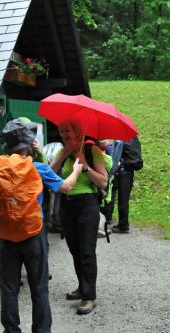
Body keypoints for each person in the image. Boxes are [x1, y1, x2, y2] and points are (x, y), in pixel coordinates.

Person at [0, 120, 82, 333]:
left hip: (6, 237)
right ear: (28, 144)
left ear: (7, 144)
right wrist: (77, 168)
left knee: (9, 290)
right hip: (33, 236)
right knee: (39, 288)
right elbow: (66, 187)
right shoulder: (37, 168)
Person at [49, 119, 108, 315]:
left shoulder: (92, 151)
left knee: (87, 251)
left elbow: (103, 181)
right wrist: (64, 154)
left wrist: (85, 166)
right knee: (74, 249)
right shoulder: (62, 151)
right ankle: (82, 287)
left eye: (67, 131)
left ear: (79, 132)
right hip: (66, 204)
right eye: (61, 131)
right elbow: (47, 173)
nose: (63, 134)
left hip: (87, 204)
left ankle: (89, 296)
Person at [108, 136, 143, 234]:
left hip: (124, 170)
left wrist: (121, 162)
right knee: (123, 198)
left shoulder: (125, 139)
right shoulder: (131, 138)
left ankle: (123, 225)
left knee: (122, 198)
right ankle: (122, 223)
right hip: (126, 171)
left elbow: (128, 156)